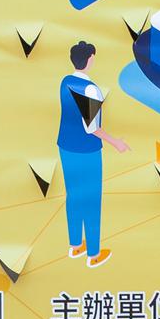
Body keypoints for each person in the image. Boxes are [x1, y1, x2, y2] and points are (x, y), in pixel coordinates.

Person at [57, 42, 127, 267]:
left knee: (73, 195)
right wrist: (116, 142)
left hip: (65, 146)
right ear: (90, 59)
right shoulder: (91, 89)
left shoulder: (65, 81)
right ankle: (94, 253)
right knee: (91, 198)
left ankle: (76, 244)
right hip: (86, 151)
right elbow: (92, 128)